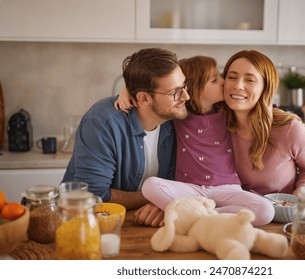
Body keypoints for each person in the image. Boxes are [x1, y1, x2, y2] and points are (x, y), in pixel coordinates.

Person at [115, 55, 275, 226]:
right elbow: (156, 87)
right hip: (188, 189)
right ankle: (201, 216)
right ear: (193, 88)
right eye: (214, 80)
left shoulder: (229, 111)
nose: (223, 82)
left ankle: (195, 216)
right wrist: (127, 90)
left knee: (266, 210)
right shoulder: (179, 114)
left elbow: (259, 104)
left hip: (227, 187)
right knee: (150, 186)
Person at [62, 48, 190, 227]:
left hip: (146, 222)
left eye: (184, 85)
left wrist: (163, 201)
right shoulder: (102, 123)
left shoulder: (175, 118)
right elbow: (94, 195)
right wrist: (154, 197)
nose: (186, 96)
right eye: (175, 92)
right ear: (144, 98)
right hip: (87, 225)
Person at [222, 50, 305, 196]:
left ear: (265, 88)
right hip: (236, 214)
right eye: (231, 77)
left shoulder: (290, 129)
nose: (238, 85)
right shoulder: (216, 126)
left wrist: (299, 195)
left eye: (249, 80)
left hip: (280, 216)